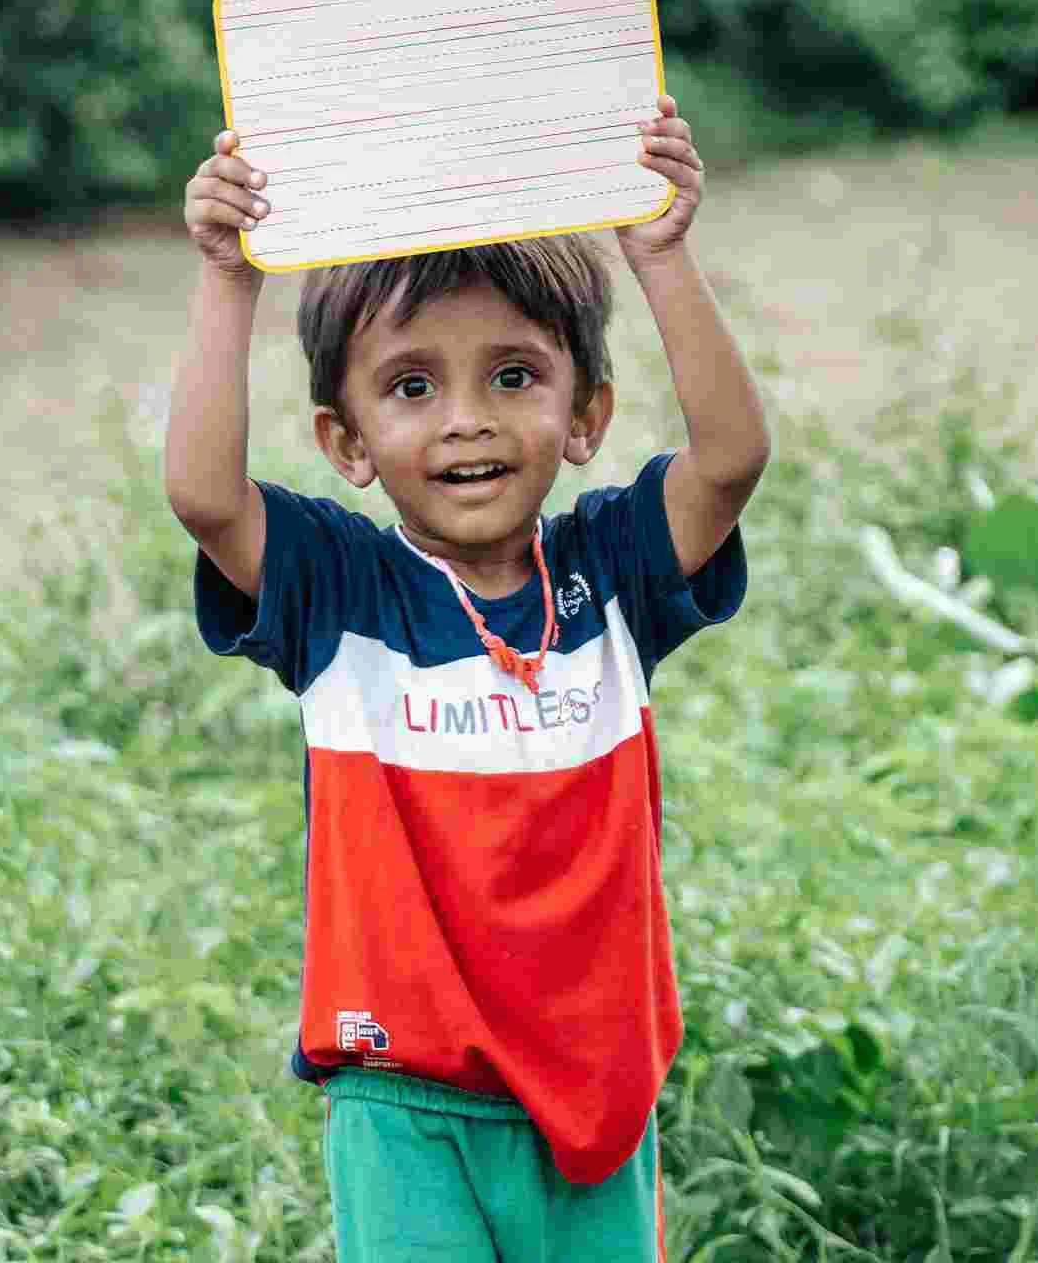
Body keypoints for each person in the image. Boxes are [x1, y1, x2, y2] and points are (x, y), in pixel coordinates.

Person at [164, 95, 771, 1263]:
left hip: (596, 1096)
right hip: (404, 1098)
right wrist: (229, 278)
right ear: (344, 444)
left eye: (511, 376)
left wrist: (661, 250)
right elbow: (203, 496)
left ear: (585, 413)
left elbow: (731, 458)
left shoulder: (611, 570)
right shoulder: (340, 589)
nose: (464, 422)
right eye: (409, 387)